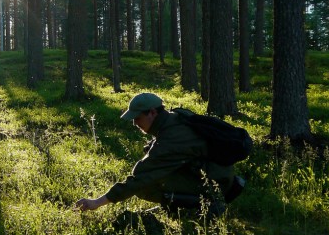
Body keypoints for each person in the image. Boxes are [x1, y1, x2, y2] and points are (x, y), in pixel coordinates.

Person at [74, 92, 244, 215]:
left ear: (153, 113)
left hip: (216, 185)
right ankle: (184, 203)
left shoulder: (172, 138)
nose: (134, 123)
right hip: (216, 176)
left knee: (145, 186)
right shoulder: (174, 119)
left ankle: (207, 206)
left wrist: (96, 202)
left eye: (137, 118)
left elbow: (140, 178)